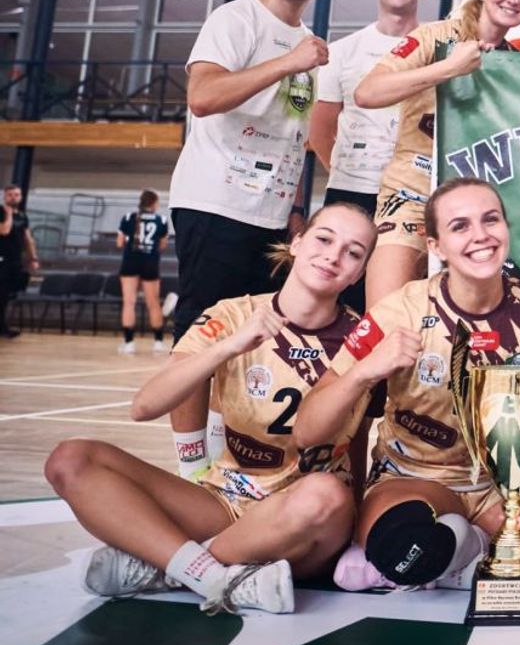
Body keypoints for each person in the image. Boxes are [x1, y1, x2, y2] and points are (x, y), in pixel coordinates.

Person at [294, 178, 520, 595]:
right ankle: (465, 547)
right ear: (436, 246)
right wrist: (365, 371)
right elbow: (307, 432)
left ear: (506, 228)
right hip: (416, 477)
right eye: (460, 226)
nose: (480, 235)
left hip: (498, 485)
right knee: (404, 546)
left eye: (490, 220)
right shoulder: (400, 310)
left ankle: (466, 556)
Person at [43, 203, 378, 615]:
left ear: (360, 273)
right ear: (296, 242)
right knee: (71, 460)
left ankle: (173, 566)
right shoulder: (232, 314)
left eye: (353, 252)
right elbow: (144, 406)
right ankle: (216, 575)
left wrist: (356, 531)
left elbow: (358, 438)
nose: (333, 256)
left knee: (324, 494)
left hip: (303, 520)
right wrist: (229, 347)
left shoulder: (363, 340)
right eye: (324, 239)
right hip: (225, 502)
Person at [172, 0, 334, 480]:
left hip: (271, 216)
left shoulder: (306, 45)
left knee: (250, 342)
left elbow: (294, 137)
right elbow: (202, 96)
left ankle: (224, 465)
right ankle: (192, 469)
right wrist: (289, 62)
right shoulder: (236, 19)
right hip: (215, 203)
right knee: (201, 336)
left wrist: (296, 212)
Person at [353, 0, 520, 309]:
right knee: (385, 318)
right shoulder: (435, 36)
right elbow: (367, 93)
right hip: (411, 195)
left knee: (461, 325)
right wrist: (449, 68)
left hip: (471, 211)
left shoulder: (517, 62)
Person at [312, 0, 429, 315]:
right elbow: (320, 130)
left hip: (413, 197)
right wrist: (351, 175)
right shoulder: (343, 51)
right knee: (339, 304)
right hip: (352, 192)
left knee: (400, 306)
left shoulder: (437, 52)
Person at [117, 189, 171, 354]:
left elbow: (119, 243)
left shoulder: (128, 217)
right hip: (150, 263)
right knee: (153, 303)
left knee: (129, 302)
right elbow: (162, 245)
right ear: (154, 203)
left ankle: (129, 343)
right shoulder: (162, 220)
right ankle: (158, 342)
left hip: (130, 262)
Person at [0, 183, 40, 338]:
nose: (13, 198)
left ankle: (2, 327)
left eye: (16, 195)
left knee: (6, 294)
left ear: (21, 197)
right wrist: (9, 214)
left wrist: (33, 257)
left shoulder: (23, 216)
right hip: (1, 258)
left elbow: (28, 239)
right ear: (4, 196)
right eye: (10, 195)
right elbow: (4, 231)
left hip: (15, 259)